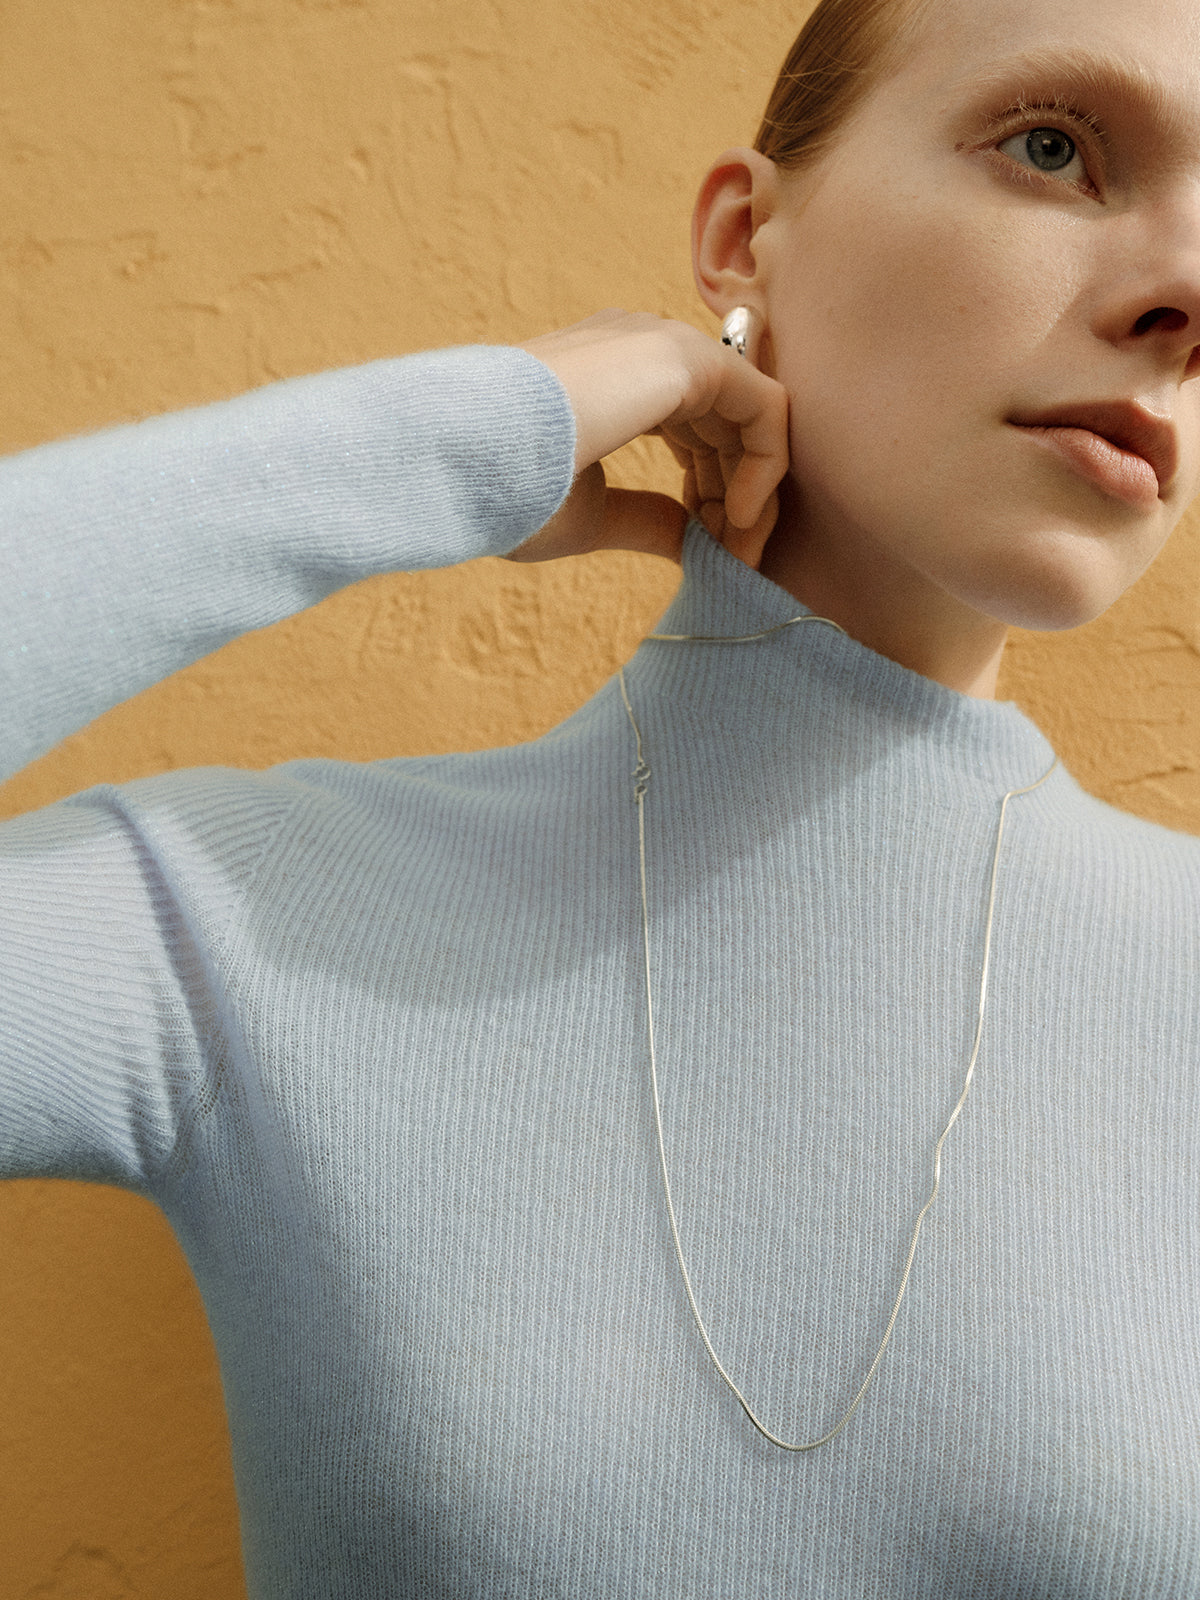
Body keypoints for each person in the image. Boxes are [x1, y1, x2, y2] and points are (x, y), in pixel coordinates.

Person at [3, 0, 1199, 1591]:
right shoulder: (229, 922)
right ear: (743, 238)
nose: (1186, 292)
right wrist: (462, 439)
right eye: (1053, 148)